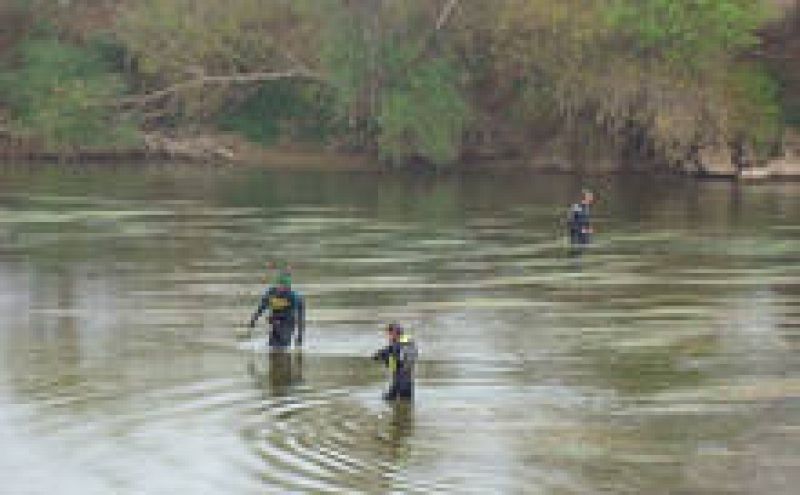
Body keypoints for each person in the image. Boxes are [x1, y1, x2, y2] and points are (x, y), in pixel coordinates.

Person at [248, 270, 305, 349]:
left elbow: (299, 317)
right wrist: (254, 319)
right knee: (272, 345)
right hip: (275, 320)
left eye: (283, 286)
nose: (280, 288)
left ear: (288, 287)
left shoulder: (293, 297)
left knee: (283, 344)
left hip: (288, 321)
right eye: (279, 285)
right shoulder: (271, 293)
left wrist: (300, 335)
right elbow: (262, 307)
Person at [373, 323, 418, 401]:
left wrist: (384, 357)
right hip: (401, 380)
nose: (388, 337)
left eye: (390, 334)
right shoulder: (400, 343)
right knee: (394, 401)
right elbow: (383, 354)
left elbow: (399, 359)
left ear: (395, 333)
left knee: (396, 401)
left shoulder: (402, 344)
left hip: (402, 380)